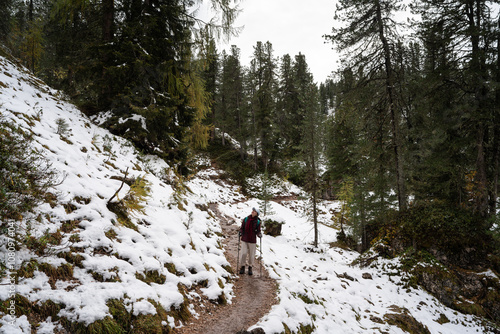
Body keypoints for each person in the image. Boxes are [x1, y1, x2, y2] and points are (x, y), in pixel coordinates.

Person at [239, 207, 262, 275]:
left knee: (251, 255)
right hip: (244, 239)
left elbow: (258, 230)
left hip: (252, 240)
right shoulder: (246, 219)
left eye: (254, 211)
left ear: (257, 214)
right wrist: (240, 232)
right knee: (244, 253)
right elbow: (242, 228)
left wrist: (259, 234)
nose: (253, 212)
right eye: (253, 210)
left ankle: (250, 267)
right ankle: (242, 266)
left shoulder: (258, 221)